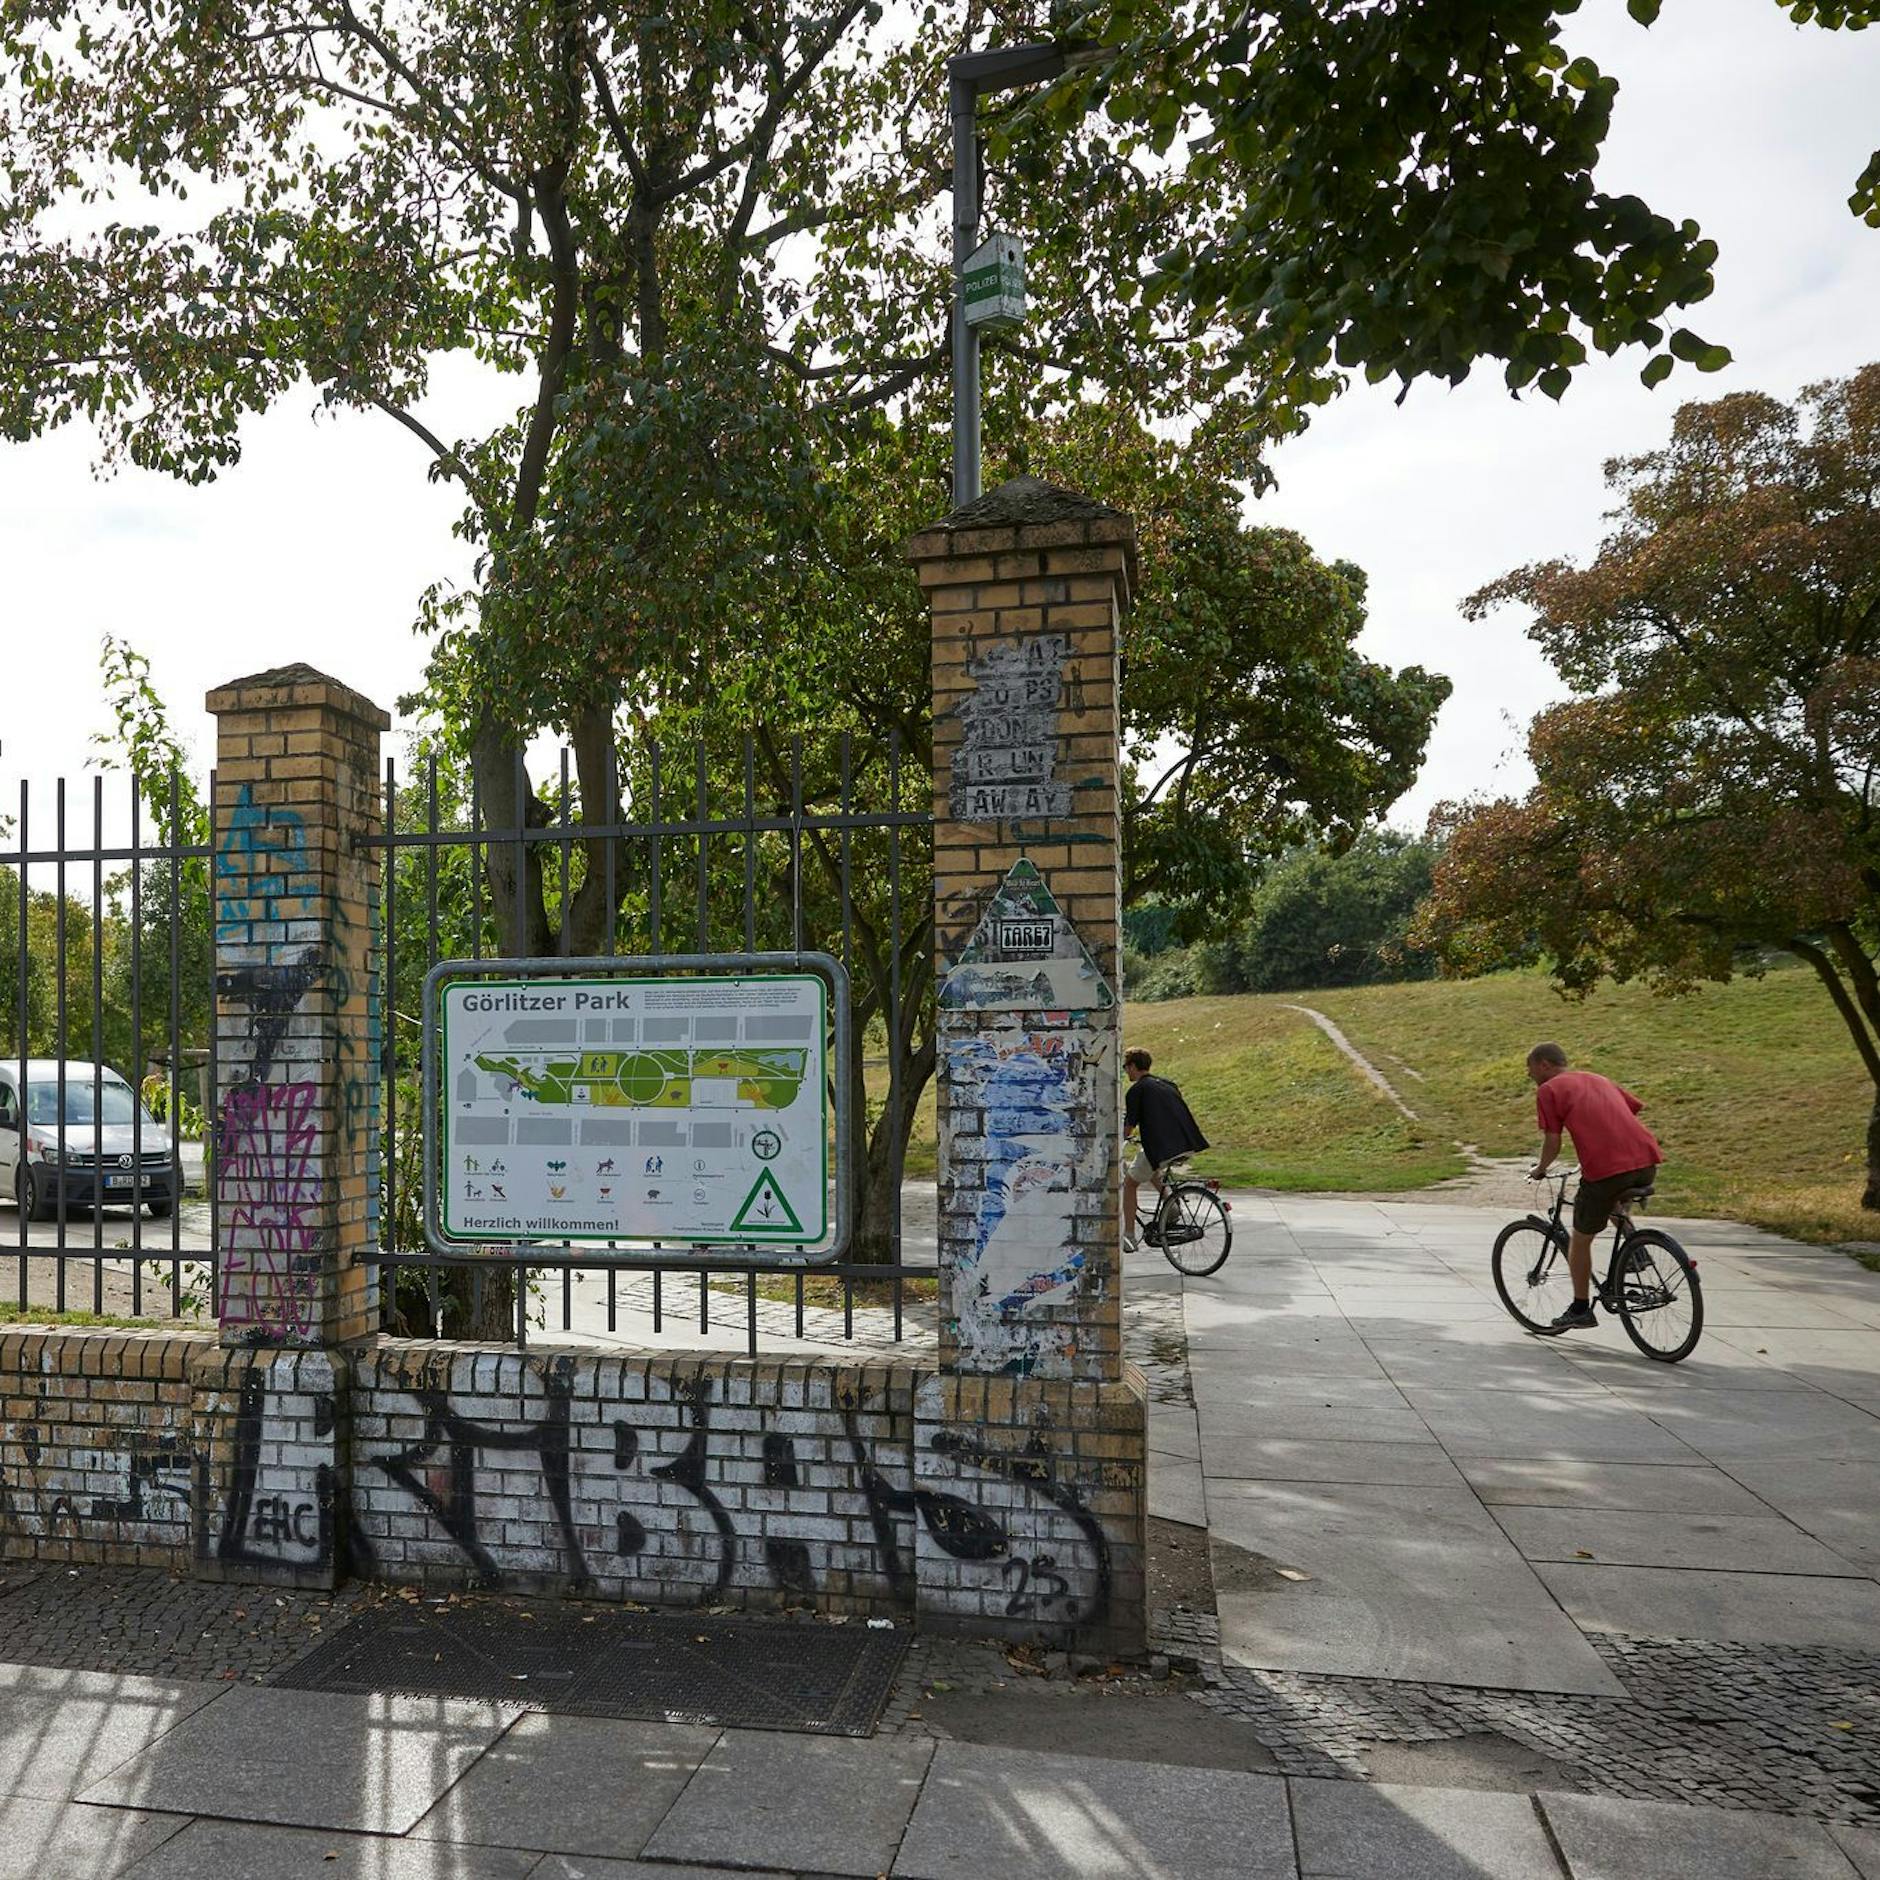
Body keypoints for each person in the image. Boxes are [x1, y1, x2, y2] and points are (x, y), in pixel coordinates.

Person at [1526, 1042, 1663, 1333]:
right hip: (1646, 1162)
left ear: (1544, 1065)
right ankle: (1636, 1251)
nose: (1530, 1076)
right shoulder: (1598, 1078)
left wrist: (1540, 1170)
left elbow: (1553, 1141)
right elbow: (1627, 1112)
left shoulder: (1549, 1090)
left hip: (1608, 1170)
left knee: (1580, 1238)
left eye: (1531, 1070)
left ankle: (1580, 1308)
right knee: (1612, 1202)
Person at [1122, 1048, 1209, 1251]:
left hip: (1161, 1146)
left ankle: (1128, 1237)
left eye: (1126, 1067)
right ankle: (1171, 1207)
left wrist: (1116, 1142)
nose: (1126, 1072)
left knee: (1130, 1184)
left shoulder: (1136, 1090)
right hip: (1185, 1143)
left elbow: (1128, 1127)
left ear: (1133, 1066)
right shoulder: (1168, 1085)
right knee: (1152, 1170)